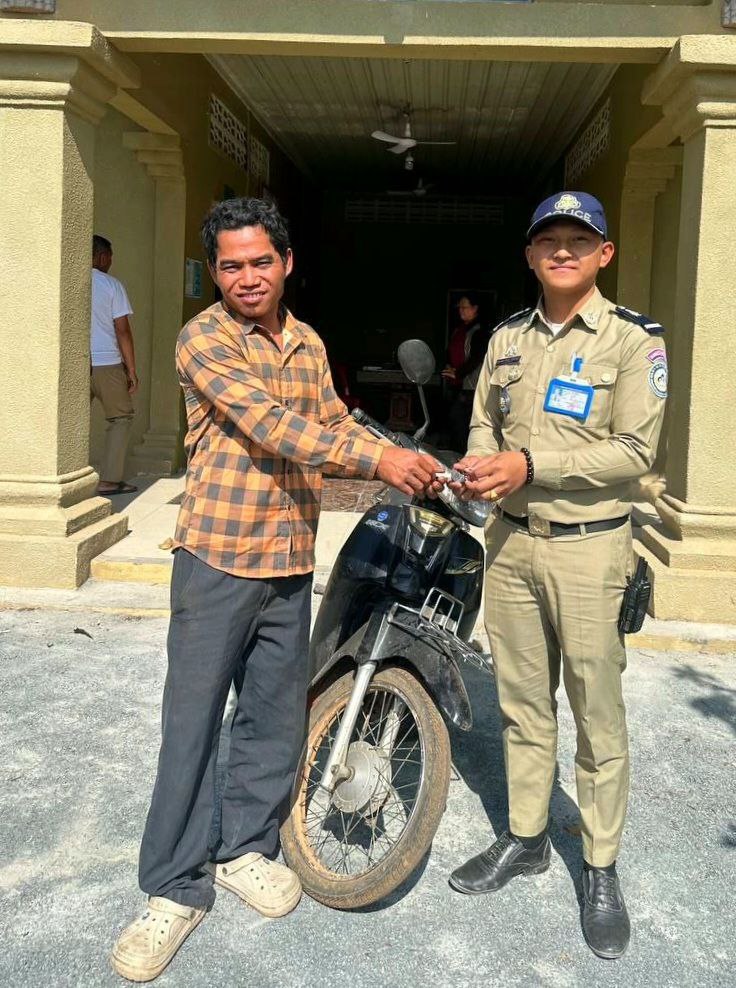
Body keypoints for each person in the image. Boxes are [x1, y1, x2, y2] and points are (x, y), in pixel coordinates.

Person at [110, 197, 441, 983]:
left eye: (261, 261)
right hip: (218, 560)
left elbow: (330, 420)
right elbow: (271, 426)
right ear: (215, 271)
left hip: (289, 559)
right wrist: (378, 463)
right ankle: (172, 887)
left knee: (272, 715)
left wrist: (405, 454)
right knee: (192, 724)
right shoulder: (204, 339)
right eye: (231, 266)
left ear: (286, 263)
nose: (248, 277)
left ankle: (245, 850)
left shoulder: (307, 342)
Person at [448, 192, 667, 960]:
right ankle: (527, 836)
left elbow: (635, 451)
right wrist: (481, 465)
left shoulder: (633, 341)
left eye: (579, 239)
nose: (563, 251)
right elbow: (485, 420)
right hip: (511, 545)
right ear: (531, 255)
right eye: (549, 240)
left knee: (597, 714)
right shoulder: (507, 338)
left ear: (604, 253)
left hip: (591, 551)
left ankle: (600, 867)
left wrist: (529, 464)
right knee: (521, 704)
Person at [90, 235, 139, 495]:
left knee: (70, 421)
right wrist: (131, 369)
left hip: (72, 364)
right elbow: (123, 331)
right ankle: (109, 480)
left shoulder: (69, 281)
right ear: (100, 257)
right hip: (106, 363)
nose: (110, 262)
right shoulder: (111, 285)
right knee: (121, 418)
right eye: (109, 257)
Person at [442, 292, 491, 451]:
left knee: (462, 423)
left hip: (471, 387)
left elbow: (476, 358)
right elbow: (451, 351)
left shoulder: (480, 331)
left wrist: (458, 373)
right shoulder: (460, 330)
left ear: (475, 309)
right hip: (457, 384)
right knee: (454, 422)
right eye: (459, 307)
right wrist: (450, 367)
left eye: (465, 307)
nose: (461, 310)